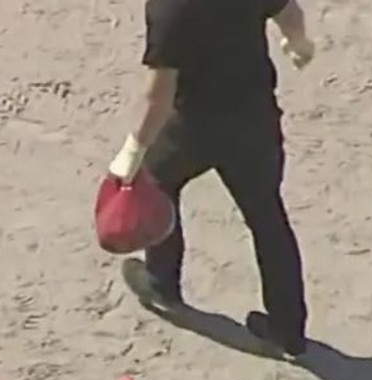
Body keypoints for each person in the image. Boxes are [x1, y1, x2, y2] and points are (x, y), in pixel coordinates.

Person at [107, 0, 316, 357]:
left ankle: (161, 284)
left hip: (192, 128)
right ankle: (288, 330)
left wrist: (132, 150)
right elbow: (289, 13)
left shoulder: (170, 8)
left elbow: (159, 94)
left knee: (158, 182)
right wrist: (298, 44)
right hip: (255, 121)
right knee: (268, 218)